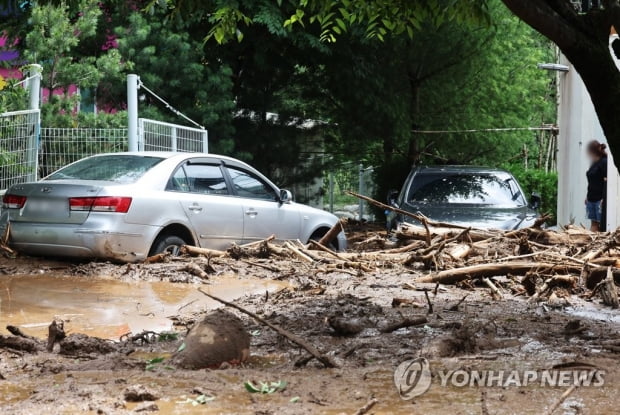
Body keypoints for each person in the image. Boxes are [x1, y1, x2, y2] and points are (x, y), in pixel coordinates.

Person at [585, 140, 607, 232]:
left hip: (599, 199)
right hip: (591, 198)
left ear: (592, 151)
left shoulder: (604, 162)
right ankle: (591, 243)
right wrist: (587, 196)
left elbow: (606, 182)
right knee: (593, 223)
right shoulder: (593, 164)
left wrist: (604, 197)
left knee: (601, 224)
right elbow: (591, 181)